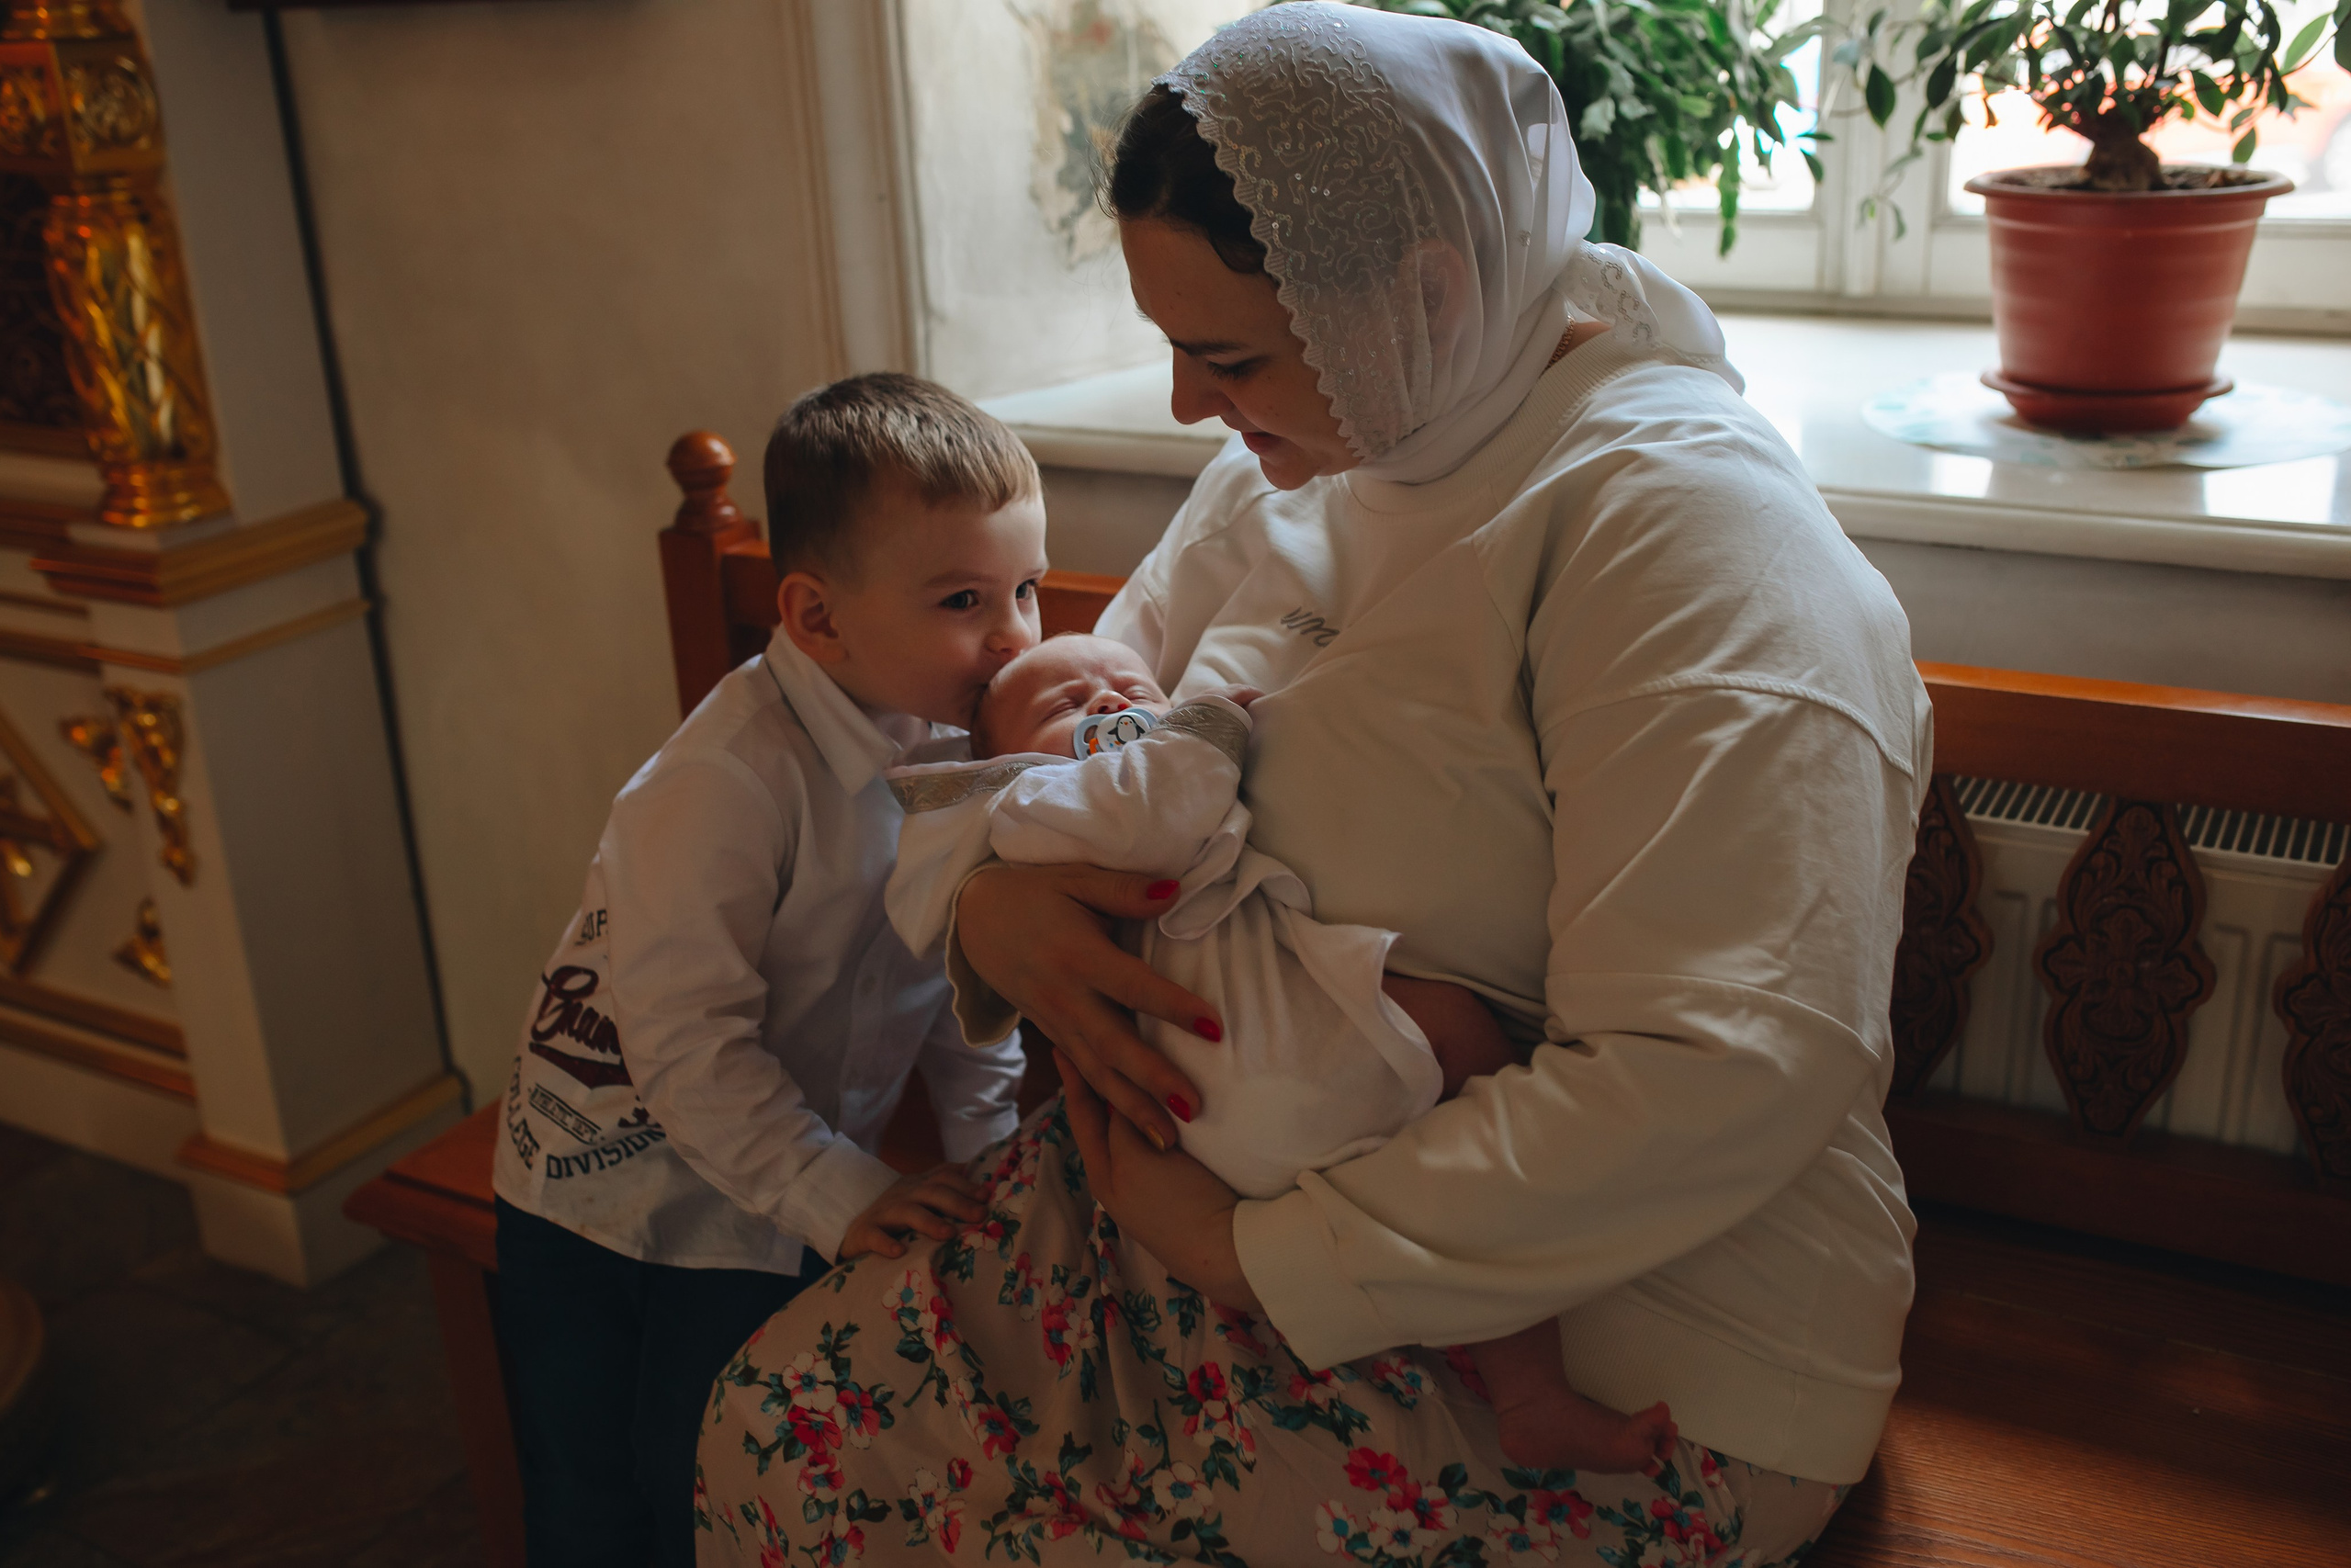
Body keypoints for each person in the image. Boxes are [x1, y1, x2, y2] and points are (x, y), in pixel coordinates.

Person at [698, 8, 1929, 1563]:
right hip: (1180, 1209)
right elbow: (1036, 744)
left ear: (1425, 293)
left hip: (1623, 1337)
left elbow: (1722, 1066)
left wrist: (1244, 1249)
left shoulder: (1690, 541)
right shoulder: (1309, 452)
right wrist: (992, 907)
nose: (1184, 408)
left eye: (1223, 355)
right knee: (774, 1422)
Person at [888, 629, 1679, 1472]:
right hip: (1255, 1062)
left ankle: (1529, 1398)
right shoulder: (1038, 806)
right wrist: (1205, 724)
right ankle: (1518, 1387)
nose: (1111, 705)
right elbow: (1159, 812)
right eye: (1067, 706)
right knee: (1464, 1046)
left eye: (1129, 685)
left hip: (1216, 1106)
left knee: (1467, 1174)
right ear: (1007, 763)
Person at [492, 372, 1049, 1567]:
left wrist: (986, 1154)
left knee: (729, 1456)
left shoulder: (959, 742)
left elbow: (968, 966)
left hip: (780, 1167)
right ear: (817, 617)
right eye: (966, 599)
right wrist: (840, 1189)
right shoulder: (726, 781)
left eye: (1028, 590)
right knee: (609, 1496)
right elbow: (685, 1042)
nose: (1016, 636)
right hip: (610, 1192)